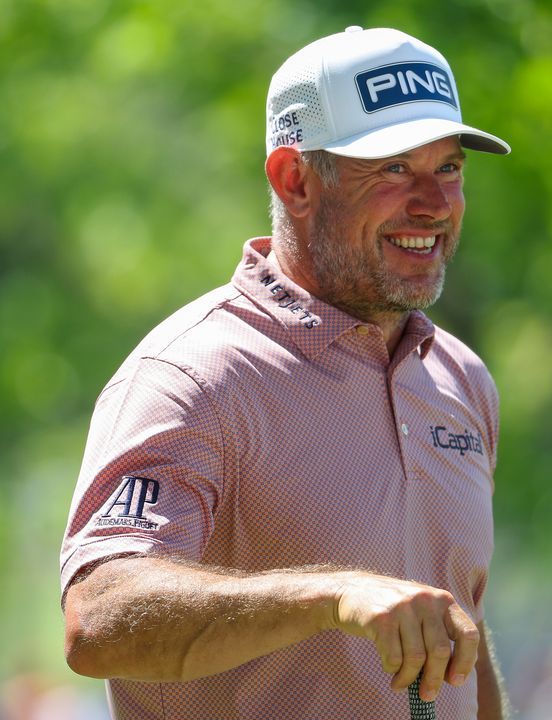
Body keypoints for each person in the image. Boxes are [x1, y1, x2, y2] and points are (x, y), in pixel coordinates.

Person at [60, 26, 512, 719]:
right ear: (295, 179)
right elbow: (99, 619)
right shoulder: (191, 376)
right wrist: (333, 598)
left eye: (448, 168)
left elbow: (462, 641)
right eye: (393, 168)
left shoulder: (461, 379)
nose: (433, 203)